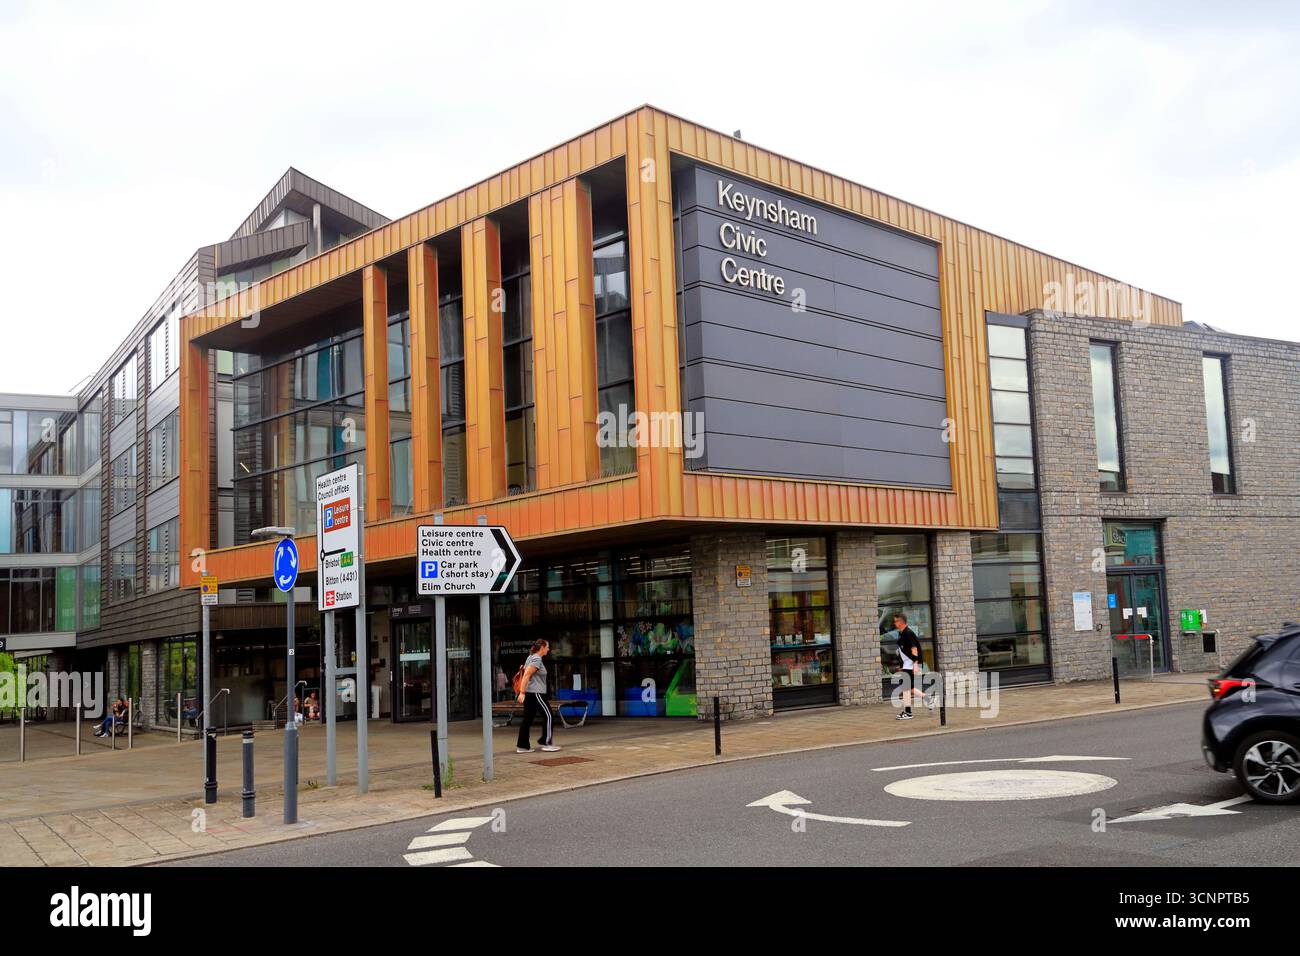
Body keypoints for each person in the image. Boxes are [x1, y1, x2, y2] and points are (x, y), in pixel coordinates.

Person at [515, 639, 560, 753]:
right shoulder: (536, 659)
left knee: (528, 719)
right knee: (549, 715)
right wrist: (522, 693)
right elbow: (526, 675)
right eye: (547, 647)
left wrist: (524, 692)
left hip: (531, 693)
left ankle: (522, 746)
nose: (549, 649)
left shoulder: (530, 657)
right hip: (536, 693)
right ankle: (547, 743)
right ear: (542, 648)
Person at [891, 612, 929, 720]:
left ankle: (908, 712)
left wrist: (915, 664)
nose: (895, 623)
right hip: (907, 665)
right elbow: (903, 651)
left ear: (901, 622)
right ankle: (927, 699)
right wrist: (902, 665)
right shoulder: (902, 633)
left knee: (906, 689)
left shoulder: (908, 633)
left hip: (911, 665)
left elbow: (914, 649)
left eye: (896, 621)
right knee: (909, 688)